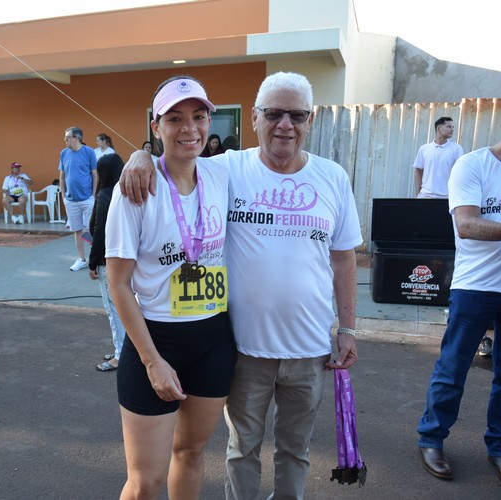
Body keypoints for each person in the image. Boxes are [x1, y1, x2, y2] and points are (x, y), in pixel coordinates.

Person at [120, 71, 362, 499]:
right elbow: (174, 155)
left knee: (290, 450)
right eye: (273, 113)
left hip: (304, 350)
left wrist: (348, 328)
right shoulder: (230, 168)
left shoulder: (332, 178)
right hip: (244, 347)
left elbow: (344, 259)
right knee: (236, 451)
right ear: (254, 118)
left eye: (297, 115)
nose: (285, 124)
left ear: (311, 120)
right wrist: (138, 157)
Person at [106, 76, 236, 499]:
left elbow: (278, 152)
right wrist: (152, 361)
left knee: (192, 454)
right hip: (156, 339)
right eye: (175, 118)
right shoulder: (136, 191)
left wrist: (139, 152)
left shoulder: (222, 174)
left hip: (214, 338)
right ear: (156, 124)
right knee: (146, 482)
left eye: (198, 117)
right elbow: (119, 285)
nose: (189, 128)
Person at [416, 98, 501, 491]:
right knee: (452, 368)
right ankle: (431, 439)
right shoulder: (473, 165)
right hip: (476, 286)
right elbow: (466, 225)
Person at [88, 153, 127, 372]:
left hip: (107, 261)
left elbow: (99, 231)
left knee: (113, 309)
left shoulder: (105, 194)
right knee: (125, 307)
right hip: (125, 260)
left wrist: (93, 263)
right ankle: (123, 349)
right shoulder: (125, 192)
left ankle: (120, 355)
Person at [59, 127, 98, 271]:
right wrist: (64, 196)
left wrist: (93, 195)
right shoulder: (63, 153)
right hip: (70, 200)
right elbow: (62, 177)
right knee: (77, 230)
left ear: (76, 138)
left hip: (87, 198)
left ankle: (96, 256)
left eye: (67, 137)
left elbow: (95, 175)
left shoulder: (89, 152)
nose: (65, 140)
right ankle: (81, 259)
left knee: (91, 229)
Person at [414, 117, 464, 199]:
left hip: (447, 196)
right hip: (425, 196)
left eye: (452, 127)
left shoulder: (456, 149)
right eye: (448, 127)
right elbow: (418, 170)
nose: (452, 130)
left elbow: (460, 172)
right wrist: (418, 192)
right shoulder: (424, 149)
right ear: (439, 129)